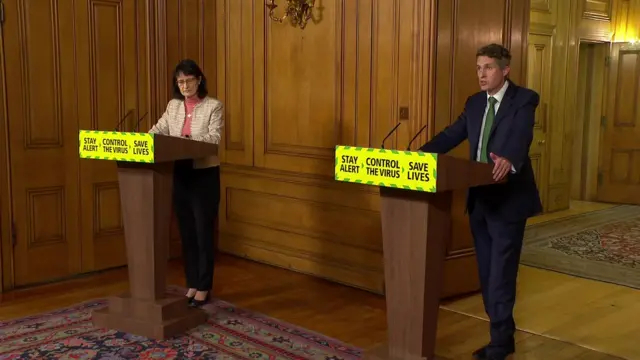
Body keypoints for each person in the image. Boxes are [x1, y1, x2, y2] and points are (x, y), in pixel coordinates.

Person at [419, 44, 541, 360]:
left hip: (508, 201)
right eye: (478, 68)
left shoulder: (524, 99)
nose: (481, 74)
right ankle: (504, 334)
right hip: (479, 201)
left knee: (501, 273)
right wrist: (417, 156)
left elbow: (521, 135)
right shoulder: (475, 103)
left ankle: (500, 342)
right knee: (487, 273)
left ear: (504, 70)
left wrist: (510, 160)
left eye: (487, 67)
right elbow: (451, 135)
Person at [149, 59, 224, 308]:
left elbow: (213, 138)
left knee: (203, 232)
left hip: (204, 174)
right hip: (179, 173)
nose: (184, 85)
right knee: (187, 232)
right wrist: (142, 141)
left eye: (189, 80)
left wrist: (185, 140)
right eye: (180, 81)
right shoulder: (173, 106)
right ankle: (192, 283)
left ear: (199, 79)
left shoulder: (214, 106)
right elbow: (159, 129)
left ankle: (204, 286)